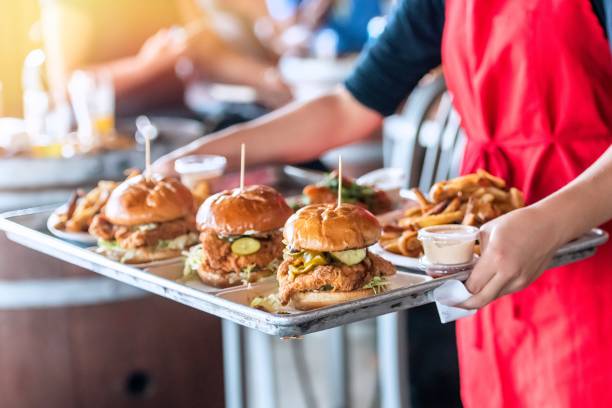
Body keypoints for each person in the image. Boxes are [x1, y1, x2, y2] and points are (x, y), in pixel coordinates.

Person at [154, 1, 612, 406]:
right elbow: (348, 106)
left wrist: (549, 223)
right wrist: (208, 156)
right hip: (481, 248)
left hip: (589, 232)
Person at [41, 0, 292, 114]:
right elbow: (64, 85)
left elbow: (204, 51)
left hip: (176, 127)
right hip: (106, 135)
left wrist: (272, 79)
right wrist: (144, 66)